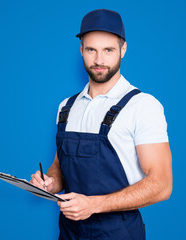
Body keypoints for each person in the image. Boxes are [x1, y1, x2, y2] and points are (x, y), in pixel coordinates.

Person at [30, 9, 172, 240]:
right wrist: (50, 183)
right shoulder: (66, 107)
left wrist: (93, 205)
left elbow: (162, 185)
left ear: (123, 50)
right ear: (81, 50)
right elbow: (60, 166)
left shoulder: (143, 106)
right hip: (69, 231)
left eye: (108, 50)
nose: (98, 60)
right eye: (91, 50)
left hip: (118, 232)